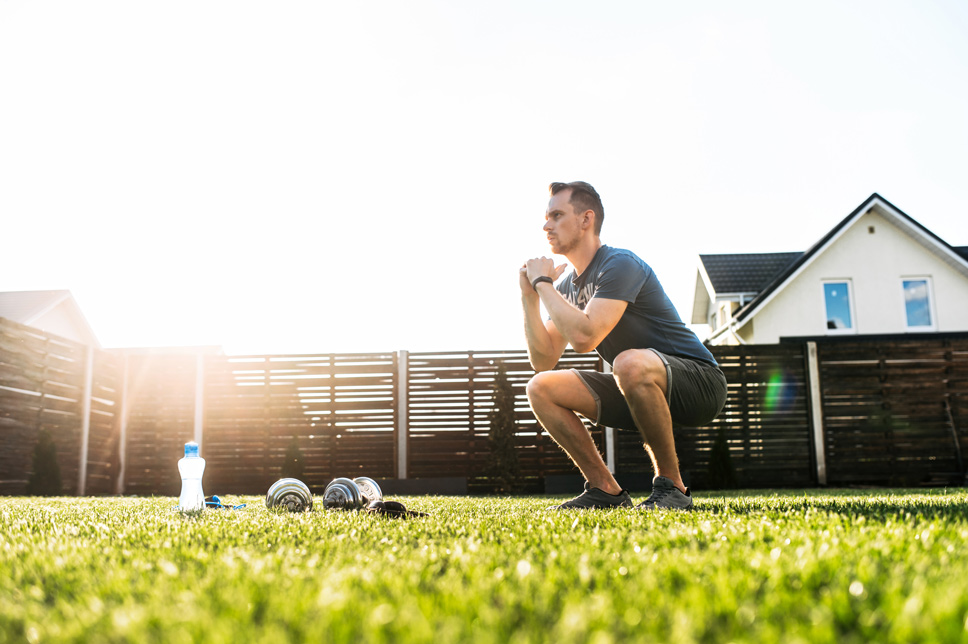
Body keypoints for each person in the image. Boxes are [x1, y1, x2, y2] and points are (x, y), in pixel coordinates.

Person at [520, 181, 727, 510]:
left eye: (557, 215)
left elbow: (585, 338)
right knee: (540, 387)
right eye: (546, 217)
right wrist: (530, 297)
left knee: (628, 363)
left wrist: (542, 283)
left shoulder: (619, 263)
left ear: (586, 219)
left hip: (700, 383)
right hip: (634, 382)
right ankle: (605, 490)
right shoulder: (563, 287)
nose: (546, 225)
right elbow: (543, 359)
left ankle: (673, 489)